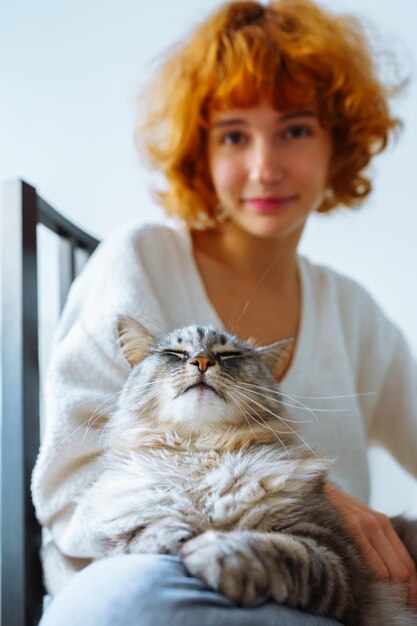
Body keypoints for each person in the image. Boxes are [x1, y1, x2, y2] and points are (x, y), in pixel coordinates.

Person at [34, 0, 417, 624]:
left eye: (295, 130)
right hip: (151, 585)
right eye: (235, 135)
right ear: (200, 150)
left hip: (315, 598)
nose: (264, 167)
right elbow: (68, 493)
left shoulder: (354, 311)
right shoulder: (139, 258)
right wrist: (315, 496)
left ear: (336, 143)